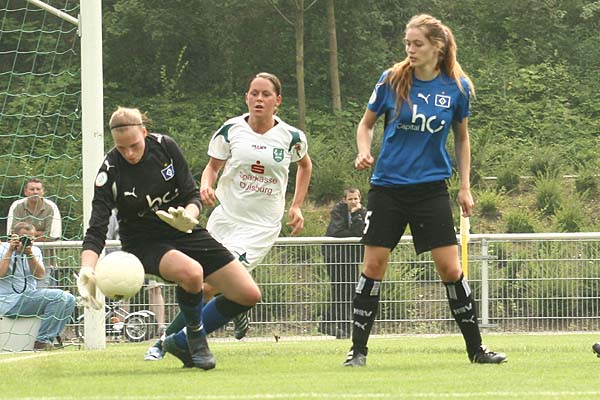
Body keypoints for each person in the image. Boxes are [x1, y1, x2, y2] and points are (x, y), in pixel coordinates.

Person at [343, 14, 507, 367]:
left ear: (438, 47)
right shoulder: (391, 79)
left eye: (418, 44)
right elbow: (365, 124)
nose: (410, 49)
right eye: (407, 43)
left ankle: (477, 350)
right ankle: (357, 351)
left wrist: (465, 187)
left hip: (431, 190)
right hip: (387, 188)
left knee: (450, 268)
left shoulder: (457, 87)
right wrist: (363, 150)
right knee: (374, 265)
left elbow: (462, 138)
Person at [144, 72, 312, 361]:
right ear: (246, 97)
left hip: (259, 227)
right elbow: (212, 167)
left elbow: (305, 166)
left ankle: (166, 342)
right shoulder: (231, 129)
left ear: (278, 101)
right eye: (254, 93)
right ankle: (230, 306)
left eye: (266, 94)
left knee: (209, 285)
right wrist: (206, 185)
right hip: (224, 218)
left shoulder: (291, 137)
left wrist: (296, 206)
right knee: (197, 281)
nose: (259, 99)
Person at [77, 106, 261, 370]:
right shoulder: (110, 171)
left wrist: (188, 215)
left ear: (144, 132)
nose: (129, 153)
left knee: (248, 294)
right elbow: (96, 228)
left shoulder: (165, 147)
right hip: (144, 242)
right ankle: (196, 338)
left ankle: (180, 342)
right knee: (192, 273)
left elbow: (192, 194)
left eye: (134, 145)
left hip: (183, 229)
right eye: (121, 148)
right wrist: (87, 268)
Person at [0, 222, 75, 350]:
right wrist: (10, 251)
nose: (27, 241)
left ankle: (50, 338)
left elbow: (40, 275)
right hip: (7, 300)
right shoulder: (2, 249)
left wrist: (29, 254)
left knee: (70, 299)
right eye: (24, 238)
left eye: (31, 238)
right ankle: (42, 342)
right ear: (13, 236)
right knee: (58, 297)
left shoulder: (35, 250)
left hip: (28, 297)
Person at [320, 188, 366, 339]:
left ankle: (338, 327)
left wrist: (356, 215)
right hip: (335, 255)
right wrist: (354, 232)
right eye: (350, 199)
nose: (353, 202)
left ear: (360, 199)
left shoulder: (363, 212)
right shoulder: (338, 211)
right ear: (344, 200)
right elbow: (337, 232)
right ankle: (331, 324)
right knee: (340, 289)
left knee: (351, 291)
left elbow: (362, 232)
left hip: (351, 257)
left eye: (355, 199)